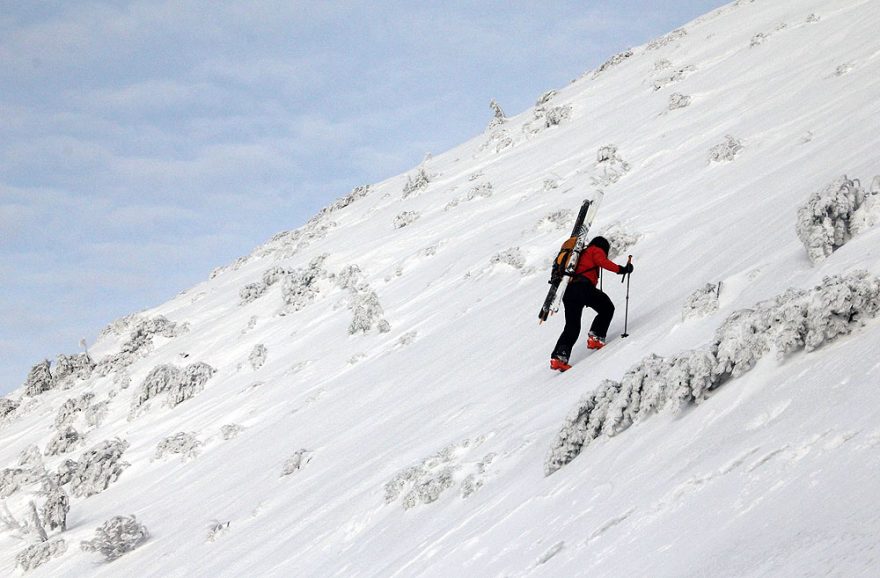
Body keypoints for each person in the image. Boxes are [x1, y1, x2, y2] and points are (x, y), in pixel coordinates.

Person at [550, 236, 632, 371]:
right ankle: (596, 336)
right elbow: (603, 262)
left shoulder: (581, 254)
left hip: (568, 291)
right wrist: (623, 269)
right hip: (583, 287)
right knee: (607, 307)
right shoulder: (595, 250)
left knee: (572, 326)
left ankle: (558, 357)